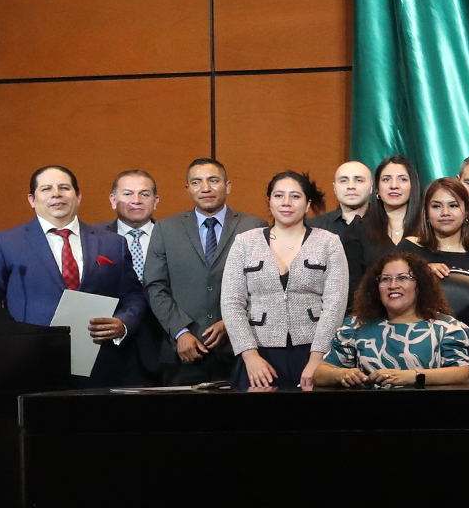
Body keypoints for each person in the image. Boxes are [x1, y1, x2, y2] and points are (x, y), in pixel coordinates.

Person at [0, 163, 148, 385]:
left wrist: (123, 323)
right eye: (46, 189)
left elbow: (133, 295)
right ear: (32, 200)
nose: (56, 194)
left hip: (99, 363)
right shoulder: (6, 243)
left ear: (78, 196)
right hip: (28, 362)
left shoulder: (112, 243)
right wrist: (7, 339)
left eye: (64, 188)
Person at [219, 170, 350, 393]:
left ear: (307, 204)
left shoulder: (329, 242)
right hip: (258, 355)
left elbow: (335, 305)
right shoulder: (245, 242)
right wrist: (250, 356)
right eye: (278, 196)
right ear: (269, 201)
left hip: (312, 352)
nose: (286, 202)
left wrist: (317, 359)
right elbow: (231, 303)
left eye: (295, 196)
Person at [143, 157, 263, 385]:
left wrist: (231, 322)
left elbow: (262, 287)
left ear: (227, 186)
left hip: (238, 351)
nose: (205, 188)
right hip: (182, 353)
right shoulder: (166, 229)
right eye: (196, 182)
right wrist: (180, 331)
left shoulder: (254, 226)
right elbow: (155, 286)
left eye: (213, 180)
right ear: (188, 189)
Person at [313, 250, 469, 388]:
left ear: (419, 286)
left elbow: (462, 375)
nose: (393, 285)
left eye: (403, 278)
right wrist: (342, 374)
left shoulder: (447, 328)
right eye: (385, 279)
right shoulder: (356, 327)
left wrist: (410, 377)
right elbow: (320, 374)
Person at [95, 167, 165, 379]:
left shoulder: (174, 236)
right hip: (108, 345)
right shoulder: (93, 239)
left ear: (155, 201)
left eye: (144, 194)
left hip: (163, 345)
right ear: (113, 200)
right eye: (127, 194)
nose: (136, 200)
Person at [312, 158, 376, 298]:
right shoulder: (314, 228)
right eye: (343, 180)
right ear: (334, 188)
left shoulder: (385, 225)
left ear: (372, 187)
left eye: (359, 180)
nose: (351, 186)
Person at [409, 176, 469, 278]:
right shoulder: (410, 247)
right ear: (426, 212)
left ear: (466, 211)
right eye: (436, 206)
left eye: (453, 206)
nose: (445, 213)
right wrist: (421, 271)